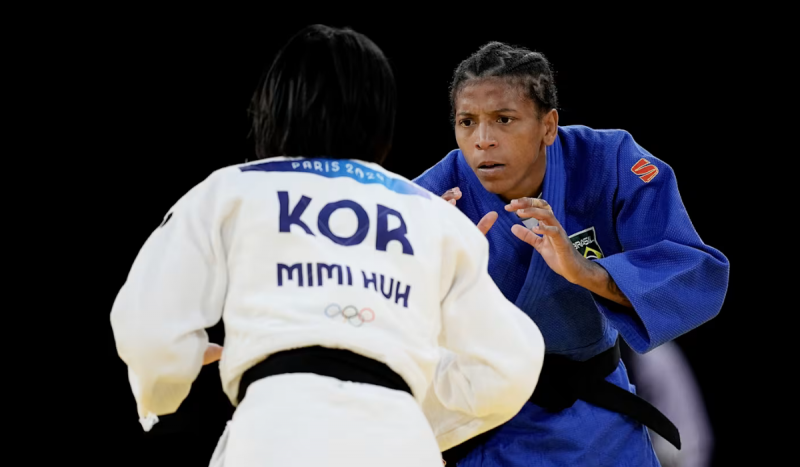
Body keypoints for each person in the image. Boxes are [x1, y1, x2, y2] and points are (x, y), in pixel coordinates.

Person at [109, 26, 546, 467]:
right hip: (399, 444)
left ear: (271, 106)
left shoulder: (230, 190)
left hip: (274, 432)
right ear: (381, 118)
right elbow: (512, 363)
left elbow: (149, 327)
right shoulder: (429, 212)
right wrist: (400, 401)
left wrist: (163, 387)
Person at [414, 41, 730, 466]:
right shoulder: (428, 197)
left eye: (503, 120)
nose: (482, 140)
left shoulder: (608, 162)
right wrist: (436, 275)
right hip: (482, 426)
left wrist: (586, 271)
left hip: (597, 427)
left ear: (548, 126)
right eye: (466, 122)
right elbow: (370, 315)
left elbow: (696, 273)